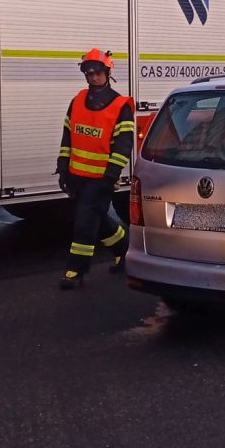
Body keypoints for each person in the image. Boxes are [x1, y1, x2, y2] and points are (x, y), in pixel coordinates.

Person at [56, 48, 135, 290]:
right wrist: (62, 168)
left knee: (85, 222)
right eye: (88, 73)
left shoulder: (121, 105)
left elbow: (124, 144)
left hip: (101, 178)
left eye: (97, 72)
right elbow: (68, 136)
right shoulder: (77, 100)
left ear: (107, 73)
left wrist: (112, 174)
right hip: (77, 176)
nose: (93, 77)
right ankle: (125, 250)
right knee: (97, 218)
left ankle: (75, 270)